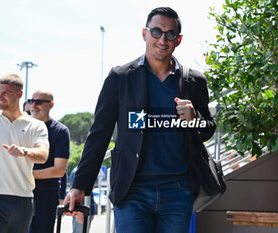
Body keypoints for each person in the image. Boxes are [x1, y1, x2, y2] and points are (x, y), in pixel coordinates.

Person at [64, 7, 215, 233]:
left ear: (179, 40)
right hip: (132, 190)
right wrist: (80, 186)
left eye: (170, 34)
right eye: (156, 31)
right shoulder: (120, 78)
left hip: (178, 190)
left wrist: (194, 119)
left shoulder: (194, 81)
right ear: (144, 34)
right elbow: (99, 135)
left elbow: (207, 130)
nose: (162, 39)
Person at [0, 74, 49, 233]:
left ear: (20, 95)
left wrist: (24, 151)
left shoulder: (36, 126)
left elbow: (42, 155)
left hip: (24, 200)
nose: (0, 97)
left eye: (6, 93)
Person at [28, 90, 70, 233]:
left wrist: (25, 174)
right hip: (19, 193)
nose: (33, 105)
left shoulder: (60, 131)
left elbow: (59, 170)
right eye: (31, 101)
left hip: (45, 196)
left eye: (39, 102)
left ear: (51, 105)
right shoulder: (22, 128)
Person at [70, 167, 97, 233]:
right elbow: (75, 194)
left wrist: (92, 211)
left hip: (86, 211)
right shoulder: (77, 172)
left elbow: (90, 194)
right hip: (80, 212)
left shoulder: (86, 170)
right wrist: (78, 213)